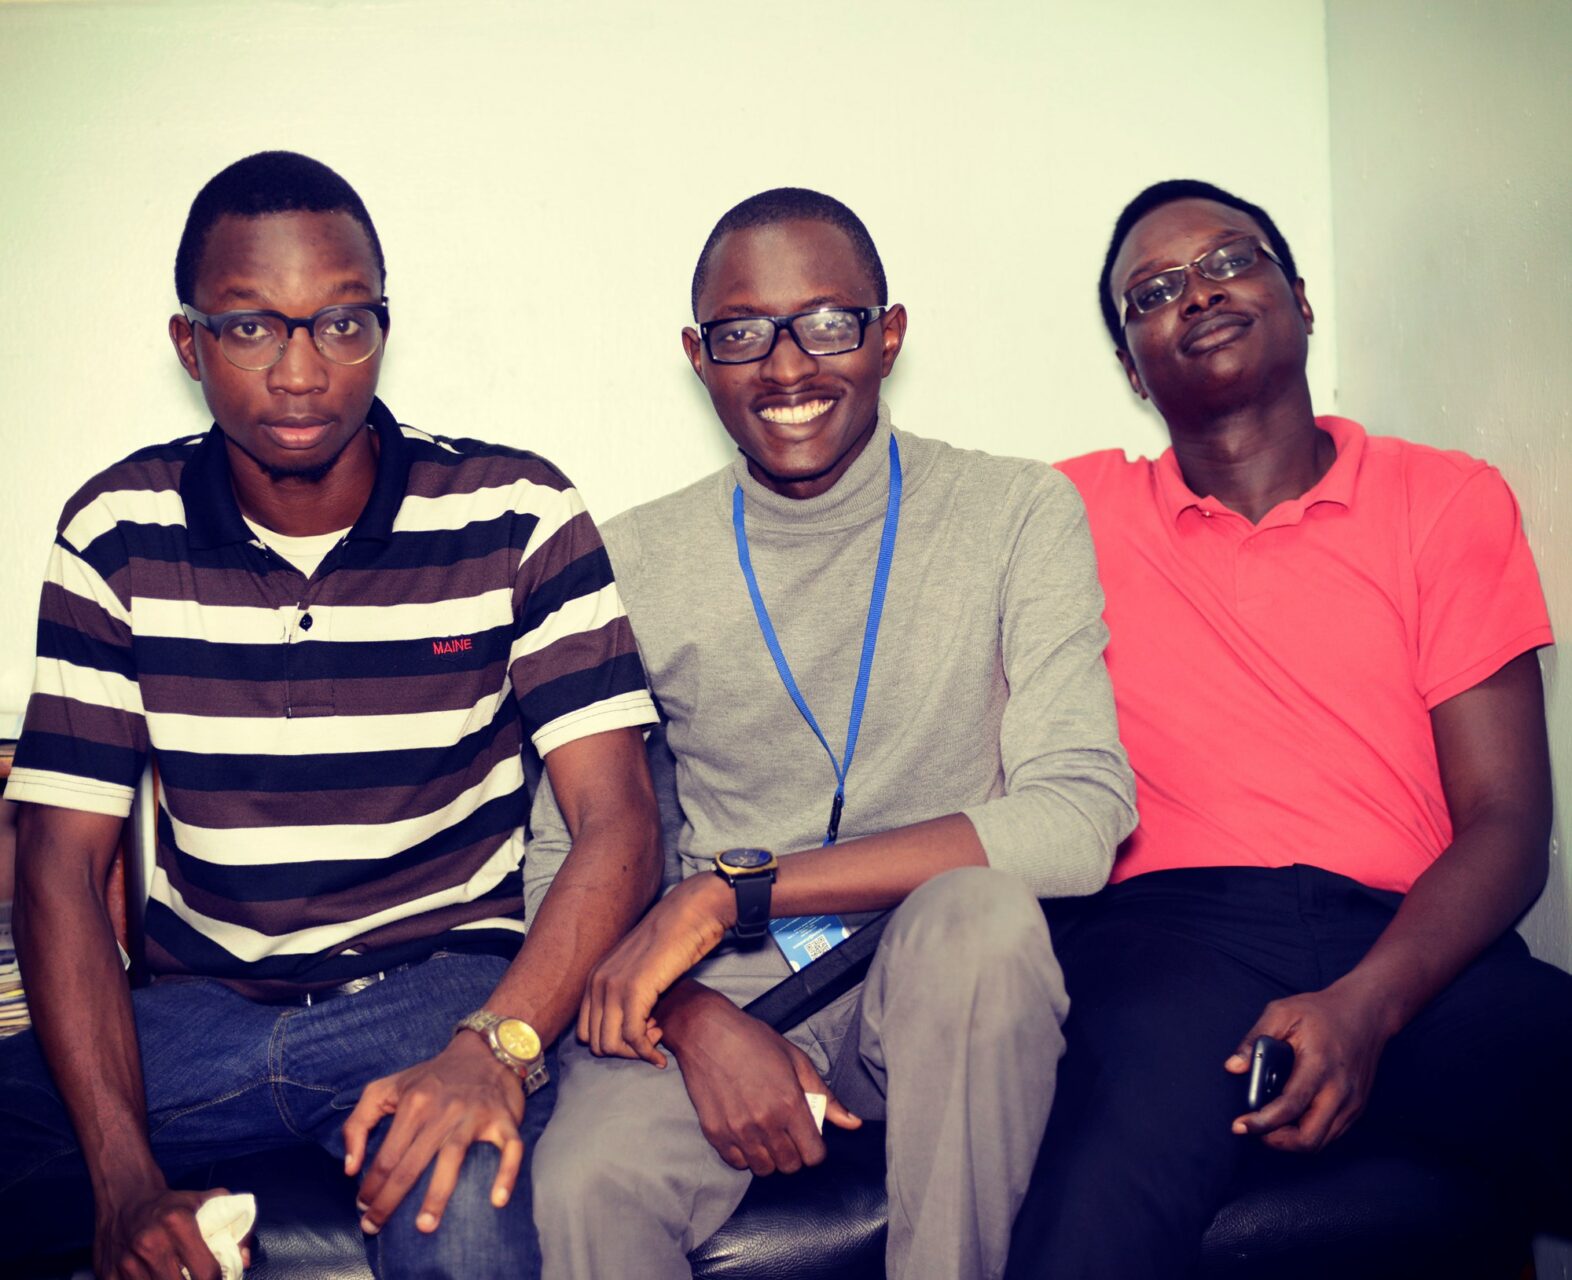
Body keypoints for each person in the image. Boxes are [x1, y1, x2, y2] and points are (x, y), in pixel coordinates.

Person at [0, 150, 662, 1280]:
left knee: (466, 1213)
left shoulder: (516, 511)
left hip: (436, 998)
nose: (303, 370)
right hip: (193, 1023)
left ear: (382, 327)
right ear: (191, 343)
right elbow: (58, 865)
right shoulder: (115, 528)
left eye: (342, 323)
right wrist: (124, 1181)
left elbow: (620, 824)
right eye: (254, 327)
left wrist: (493, 1047)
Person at [523, 187, 1137, 1280]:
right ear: (698, 356)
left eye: (829, 322)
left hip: (938, 981)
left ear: (889, 333)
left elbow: (1081, 817)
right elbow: (565, 858)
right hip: (721, 984)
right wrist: (692, 1010)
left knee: (984, 919)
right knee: (583, 1182)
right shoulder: (633, 556)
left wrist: (735, 887)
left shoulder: (1016, 512)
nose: (789, 366)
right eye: (743, 332)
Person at [1005, 178, 1572, 1279]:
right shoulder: (1058, 516)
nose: (1198, 294)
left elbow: (1508, 819)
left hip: (1418, 938)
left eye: (1230, 260)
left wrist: (1366, 1004)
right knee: (1090, 1218)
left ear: (1301, 299)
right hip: (1168, 943)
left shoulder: (1446, 499)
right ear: (1131, 366)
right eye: (1153, 292)